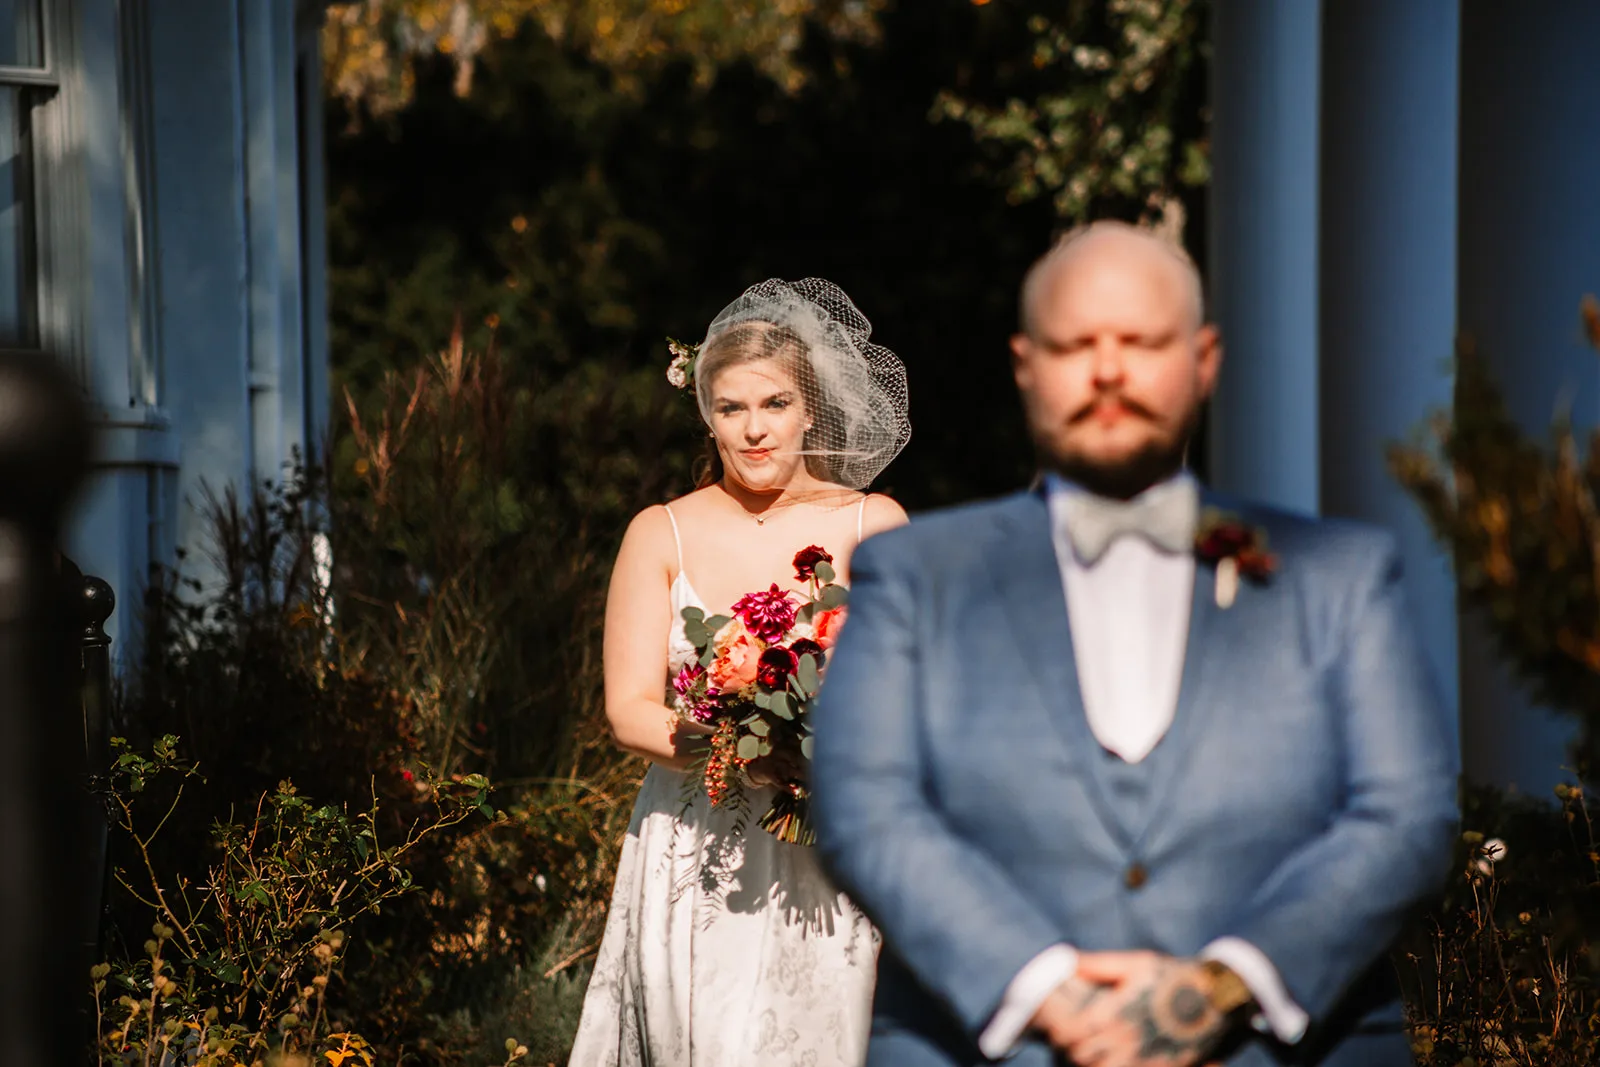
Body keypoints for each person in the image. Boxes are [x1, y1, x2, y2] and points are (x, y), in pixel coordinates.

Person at [811, 222, 1459, 1067]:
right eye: (1077, 344)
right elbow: (864, 809)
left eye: (1142, 341)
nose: (1109, 369)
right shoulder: (913, 574)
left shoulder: (1338, 573)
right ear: (1025, 366)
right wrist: (1043, 985)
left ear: (1204, 359)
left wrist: (1221, 987)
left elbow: (1405, 814)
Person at [569, 277, 911, 1067]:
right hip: (695, 845)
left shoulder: (874, 522)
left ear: (811, 409)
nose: (755, 431)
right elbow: (627, 708)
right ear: (707, 416)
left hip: (830, 846)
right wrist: (744, 746)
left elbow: (909, 692)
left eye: (775, 405)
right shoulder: (661, 533)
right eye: (732, 409)